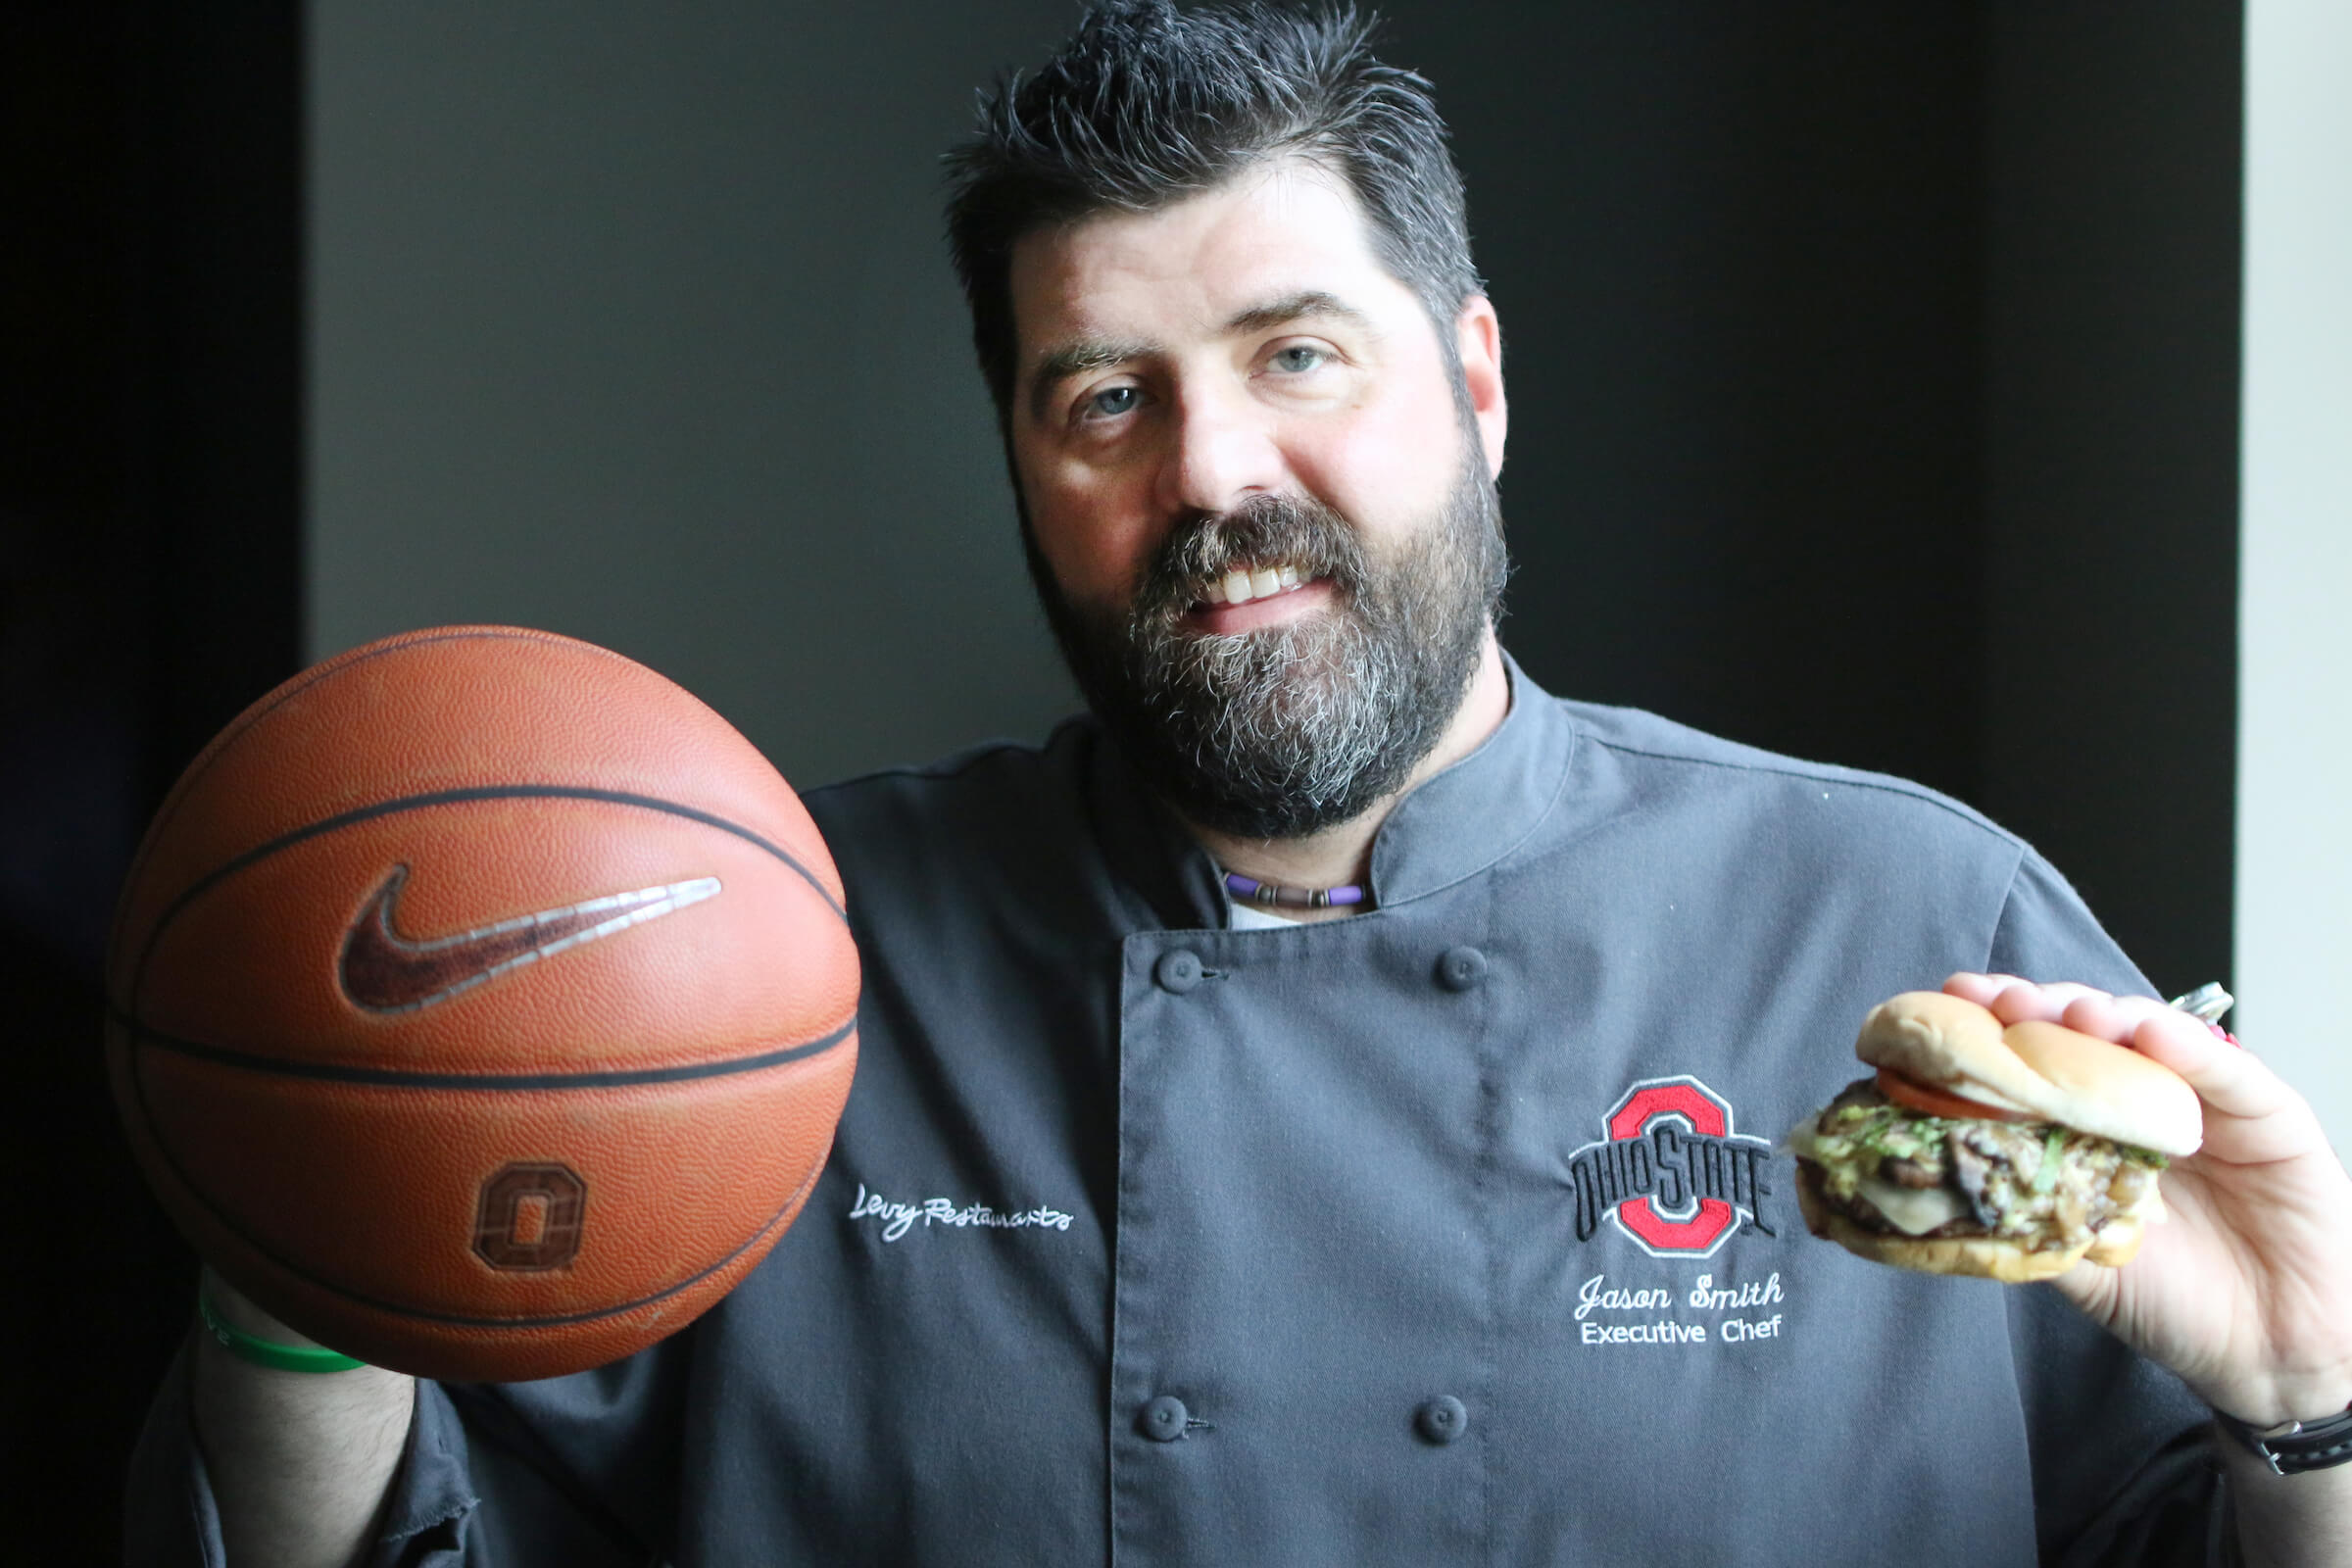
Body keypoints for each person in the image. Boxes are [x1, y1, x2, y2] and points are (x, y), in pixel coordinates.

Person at [129, 4, 2352, 1564]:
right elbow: (402, 1534)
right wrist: (299, 1270)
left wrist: (2319, 1408)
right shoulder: (757, 972)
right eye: (1106, 396)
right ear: (1020, 459)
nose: (1213, 473)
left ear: (1473, 382)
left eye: (1300, 352)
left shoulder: (1896, 920)